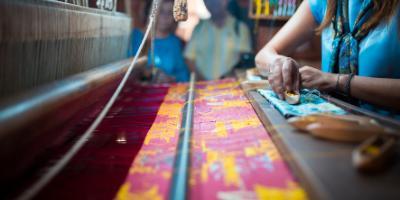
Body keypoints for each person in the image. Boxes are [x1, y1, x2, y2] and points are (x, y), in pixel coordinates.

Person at [255, 0, 400, 118]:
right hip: (332, 125)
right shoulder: (324, 3)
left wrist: (335, 81)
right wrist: (278, 63)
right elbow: (264, 55)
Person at [184, 0, 252, 80]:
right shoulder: (199, 28)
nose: (213, 3)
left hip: (231, 88)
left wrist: (227, 80)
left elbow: (244, 62)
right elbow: (189, 58)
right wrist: (203, 82)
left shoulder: (240, 29)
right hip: (202, 88)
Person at [127, 0, 190, 83]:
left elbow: (184, 75)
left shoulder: (174, 42)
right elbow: (127, 70)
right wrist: (147, 73)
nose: (165, 17)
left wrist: (171, 78)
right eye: (161, 11)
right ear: (152, 13)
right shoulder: (136, 37)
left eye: (170, 13)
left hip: (164, 93)